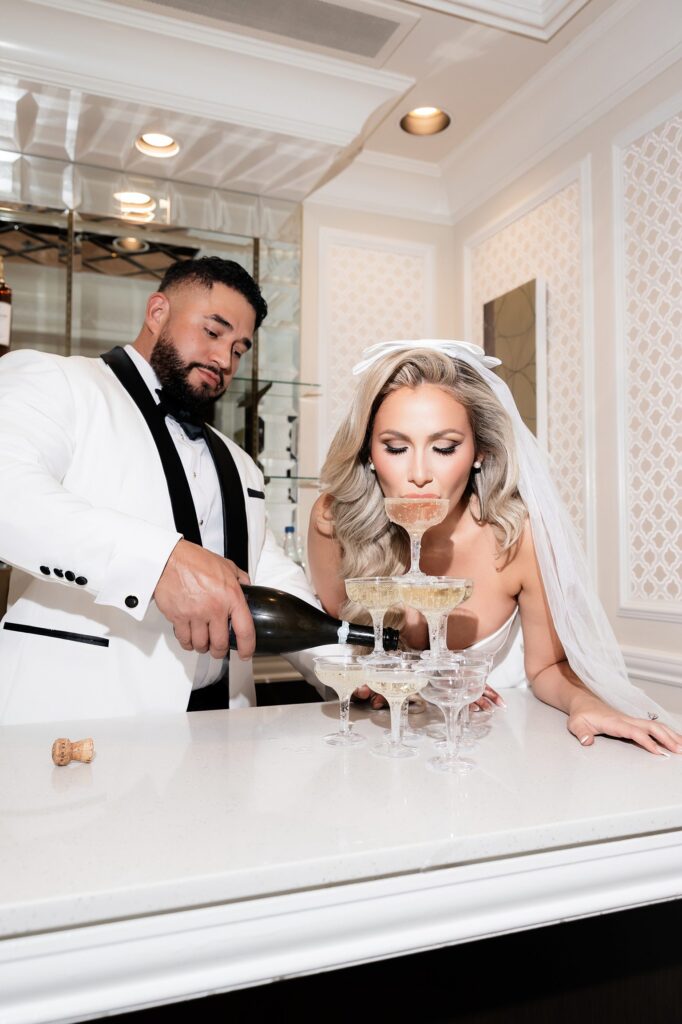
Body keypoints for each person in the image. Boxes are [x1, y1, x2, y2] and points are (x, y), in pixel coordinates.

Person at [308, 340, 682, 756]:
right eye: (395, 448)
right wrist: (377, 680)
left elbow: (546, 668)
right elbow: (337, 638)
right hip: (380, 746)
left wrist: (586, 704)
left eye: (444, 447)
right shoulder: (336, 524)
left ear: (479, 451)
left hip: (497, 743)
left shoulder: (516, 537)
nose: (418, 474)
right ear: (369, 454)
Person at [0, 257, 316, 724]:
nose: (223, 360)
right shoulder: (59, 381)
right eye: (213, 332)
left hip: (222, 737)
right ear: (157, 312)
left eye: (239, 349)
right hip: (73, 727)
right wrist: (160, 562)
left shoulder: (241, 464)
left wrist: (352, 666)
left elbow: (274, 581)